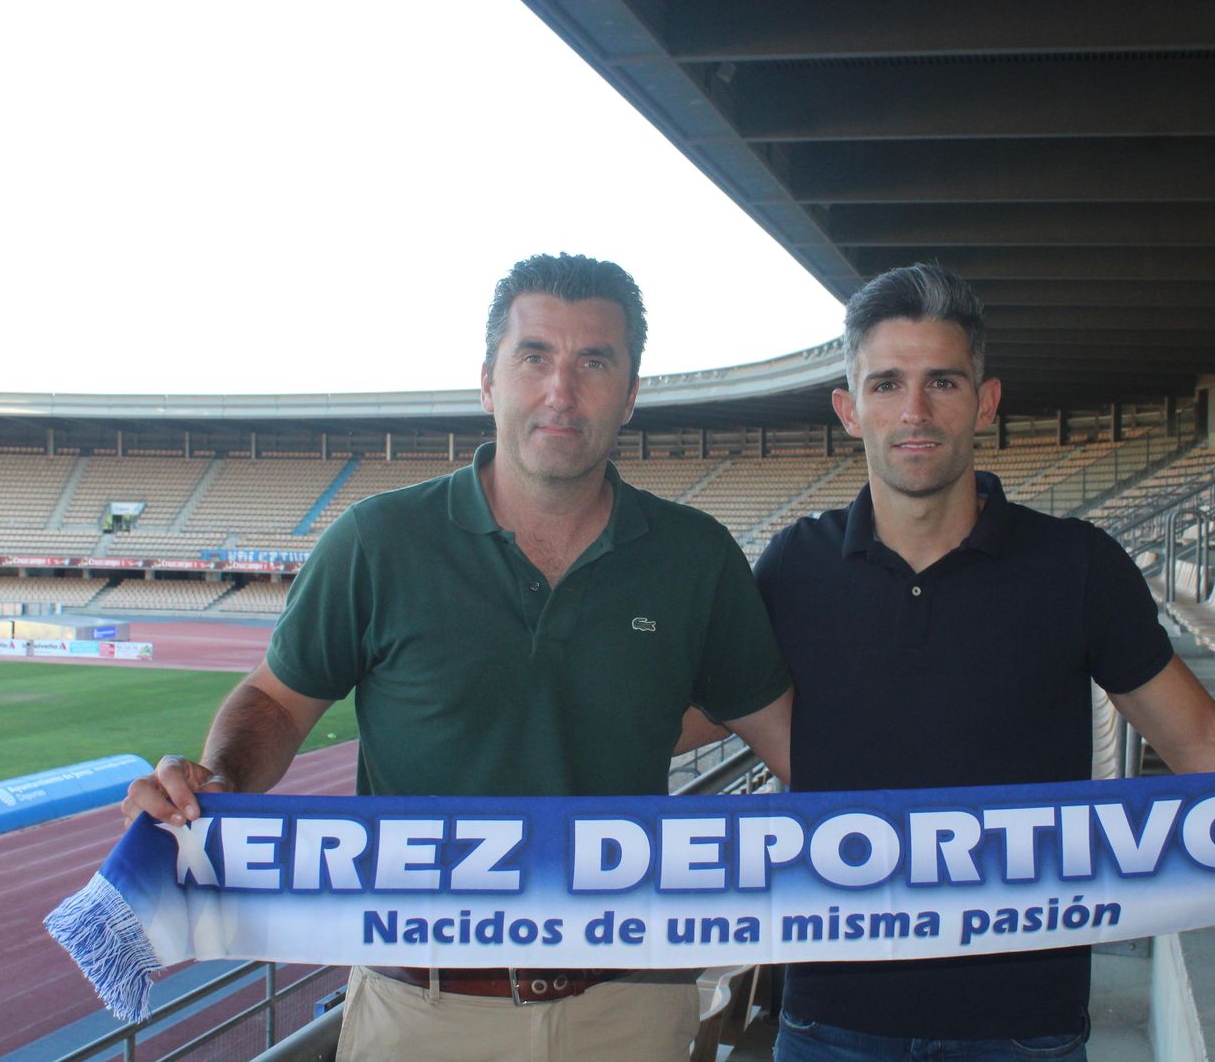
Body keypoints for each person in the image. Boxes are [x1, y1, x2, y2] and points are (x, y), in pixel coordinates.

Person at [752, 262, 1215, 1062]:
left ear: (985, 402)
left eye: (942, 382)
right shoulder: (793, 566)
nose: (914, 411)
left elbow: (1198, 739)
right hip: (832, 1018)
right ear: (849, 409)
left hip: (1023, 1022)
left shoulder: (1076, 565)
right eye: (886, 384)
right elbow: (695, 715)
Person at [121, 252, 793, 1062]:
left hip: (630, 1008)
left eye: (594, 362)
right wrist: (217, 783)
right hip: (421, 1010)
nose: (561, 390)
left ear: (629, 394)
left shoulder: (695, 558)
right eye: (534, 357)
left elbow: (787, 739)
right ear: (487, 382)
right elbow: (275, 702)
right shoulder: (378, 542)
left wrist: (938, 848)